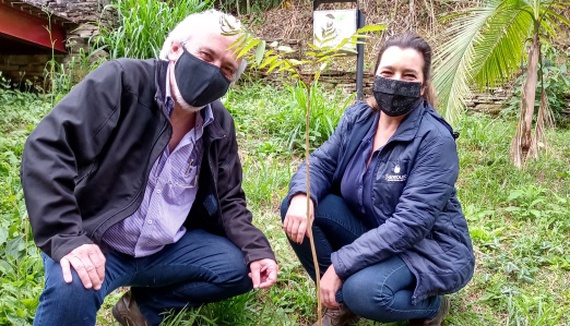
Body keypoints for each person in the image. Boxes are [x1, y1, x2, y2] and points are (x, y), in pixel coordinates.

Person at [20, 9, 278, 326]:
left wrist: (258, 250)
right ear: (174, 49)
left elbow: (229, 199)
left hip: (165, 250)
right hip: (99, 241)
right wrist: (67, 237)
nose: (212, 73)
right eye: (206, 55)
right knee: (71, 287)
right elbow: (49, 148)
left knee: (241, 266)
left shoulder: (218, 123)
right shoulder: (122, 81)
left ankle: (142, 309)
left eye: (226, 69)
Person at [281, 32, 475, 326]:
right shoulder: (359, 118)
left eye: (408, 75)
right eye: (388, 72)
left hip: (425, 248)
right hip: (374, 229)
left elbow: (410, 225)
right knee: (296, 209)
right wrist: (301, 196)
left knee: (365, 292)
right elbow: (321, 162)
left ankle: (432, 307)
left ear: (422, 87)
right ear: (375, 76)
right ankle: (340, 306)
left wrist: (340, 265)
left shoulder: (434, 140)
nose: (396, 81)